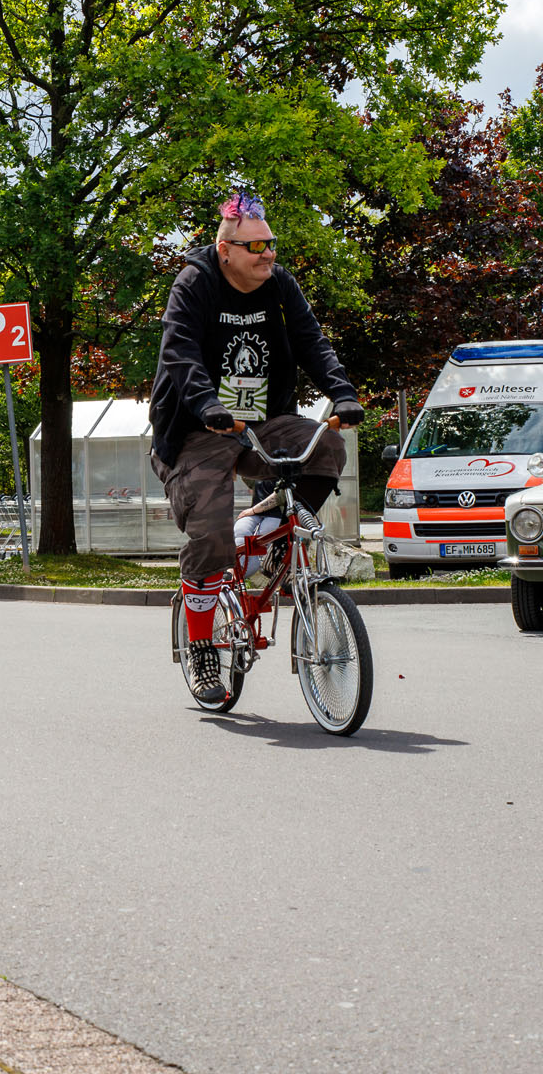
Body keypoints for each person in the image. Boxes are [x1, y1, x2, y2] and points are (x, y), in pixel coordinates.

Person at [150, 192, 364, 704]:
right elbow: (179, 351)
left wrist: (342, 392)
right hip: (197, 429)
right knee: (210, 539)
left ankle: (270, 532)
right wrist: (207, 405)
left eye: (271, 243)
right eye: (256, 246)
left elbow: (312, 341)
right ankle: (202, 647)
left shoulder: (279, 284)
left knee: (326, 447)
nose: (268, 253)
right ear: (225, 250)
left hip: (262, 423)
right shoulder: (195, 282)